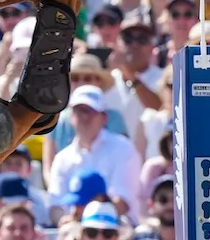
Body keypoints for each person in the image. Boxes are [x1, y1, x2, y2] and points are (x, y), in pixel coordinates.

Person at [47, 85, 141, 218]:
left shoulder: (123, 148)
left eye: (90, 111)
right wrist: (67, 222)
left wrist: (89, 223)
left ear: (104, 118)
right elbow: (55, 205)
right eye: (79, 110)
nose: (84, 117)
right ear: (71, 117)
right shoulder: (62, 158)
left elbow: (123, 201)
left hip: (119, 230)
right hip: (74, 230)